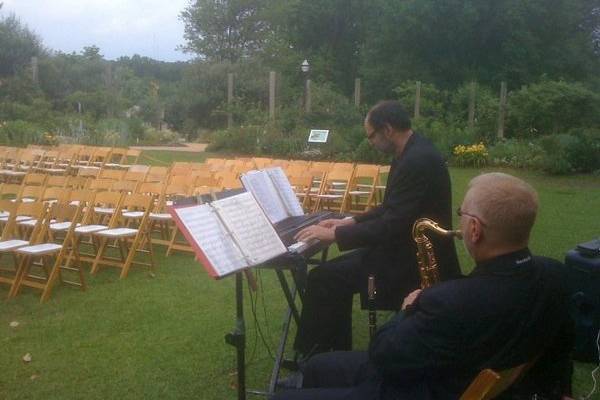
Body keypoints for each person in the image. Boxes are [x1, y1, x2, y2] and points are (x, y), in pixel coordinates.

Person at [273, 173, 573, 400]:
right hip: (457, 371)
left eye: (462, 214)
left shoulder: (448, 302)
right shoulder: (555, 275)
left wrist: (409, 308)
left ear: (474, 229)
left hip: (422, 388)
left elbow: (383, 354)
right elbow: (560, 347)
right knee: (317, 367)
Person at [292, 100, 461, 357]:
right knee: (327, 276)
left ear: (387, 129)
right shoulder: (411, 152)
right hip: (402, 248)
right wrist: (349, 222)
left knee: (324, 279)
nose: (370, 142)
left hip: (413, 261)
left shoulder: (416, 160)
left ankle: (323, 358)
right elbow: (391, 207)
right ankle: (326, 354)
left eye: (371, 135)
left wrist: (334, 235)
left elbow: (393, 224)